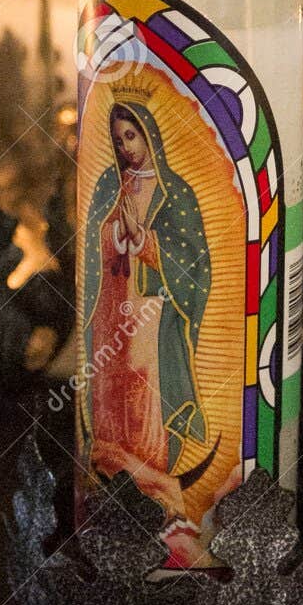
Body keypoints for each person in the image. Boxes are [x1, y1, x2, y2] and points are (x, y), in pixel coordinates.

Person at [79, 94, 212, 519]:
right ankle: (115, 485)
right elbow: (92, 244)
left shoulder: (176, 192)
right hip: (111, 303)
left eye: (131, 136)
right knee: (110, 387)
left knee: (142, 387)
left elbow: (193, 258)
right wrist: (116, 235)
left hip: (149, 311)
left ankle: (153, 486)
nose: (125, 148)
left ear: (150, 136)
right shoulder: (107, 186)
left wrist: (146, 242)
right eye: (118, 140)